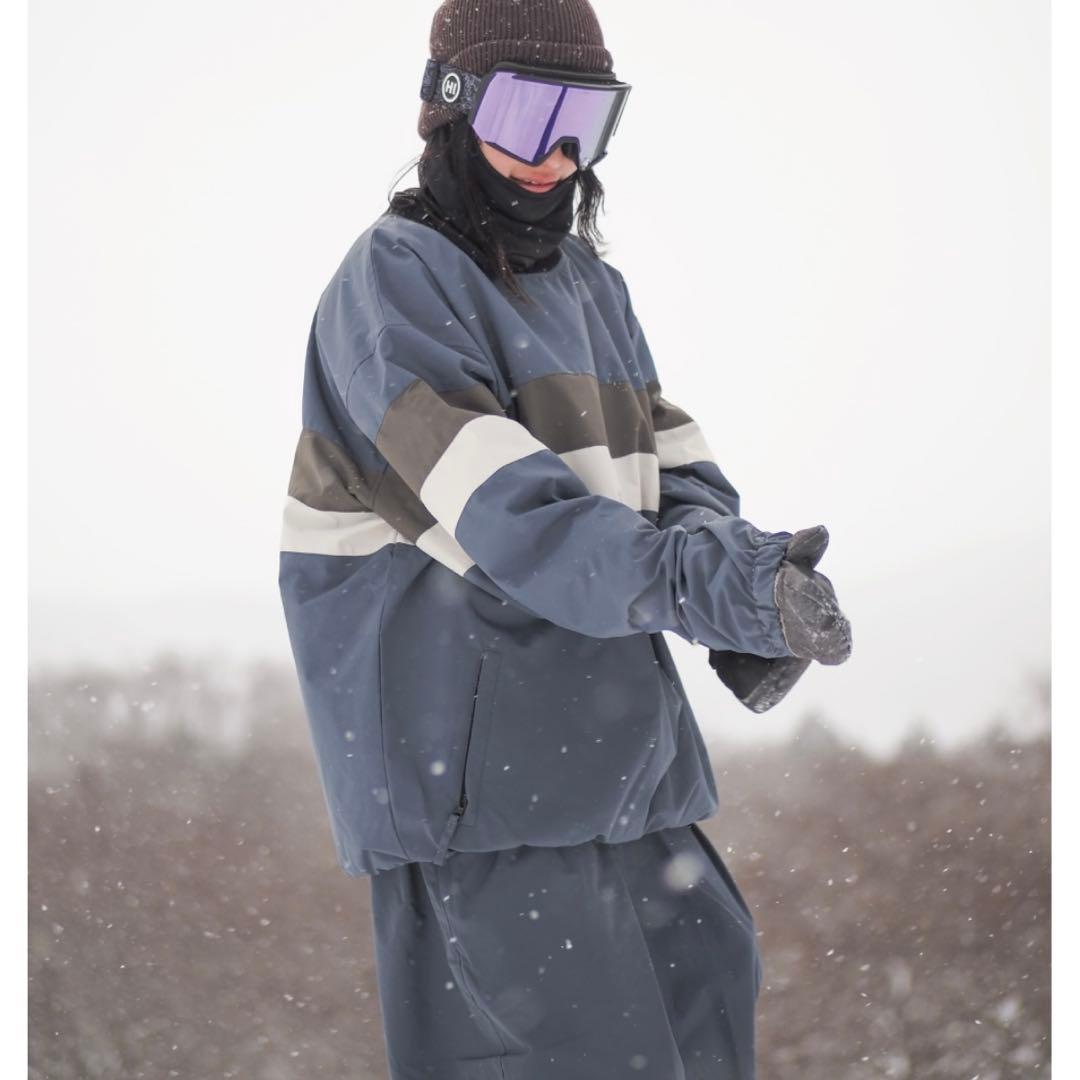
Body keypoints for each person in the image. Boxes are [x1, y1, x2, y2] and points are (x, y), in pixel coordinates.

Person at [278, 2, 853, 1076]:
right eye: (525, 116)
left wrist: (743, 591)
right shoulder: (393, 286)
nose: (553, 158)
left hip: (625, 776)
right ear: (449, 108)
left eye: (583, 123)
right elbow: (520, 523)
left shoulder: (590, 286)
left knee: (711, 1017)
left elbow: (675, 477)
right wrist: (699, 584)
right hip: (483, 803)